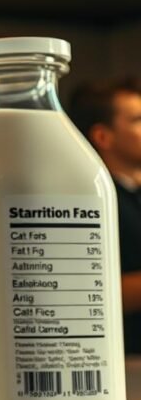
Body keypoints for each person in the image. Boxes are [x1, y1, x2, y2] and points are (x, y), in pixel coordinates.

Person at [69, 78, 141, 353]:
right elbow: (89, 292)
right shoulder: (88, 203)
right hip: (124, 356)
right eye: (137, 120)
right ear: (102, 137)